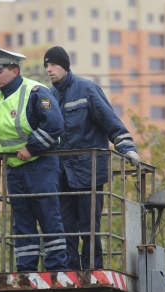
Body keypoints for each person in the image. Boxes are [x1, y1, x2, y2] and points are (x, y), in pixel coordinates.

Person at [0, 48, 68, 272]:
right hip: (15, 168)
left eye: (0, 71)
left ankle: (57, 267)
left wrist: (31, 148)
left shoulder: (34, 92)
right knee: (22, 221)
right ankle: (26, 268)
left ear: (14, 71)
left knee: (48, 217)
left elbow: (55, 125)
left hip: (40, 166)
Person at [43, 46, 140, 270]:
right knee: (65, 228)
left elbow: (110, 121)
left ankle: (92, 270)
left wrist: (127, 147)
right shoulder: (49, 96)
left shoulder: (86, 90)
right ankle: (71, 272)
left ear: (65, 66)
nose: (49, 69)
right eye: (46, 66)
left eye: (53, 65)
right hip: (63, 175)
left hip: (89, 173)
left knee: (89, 228)